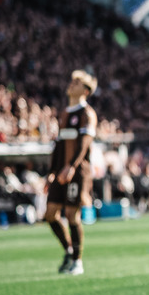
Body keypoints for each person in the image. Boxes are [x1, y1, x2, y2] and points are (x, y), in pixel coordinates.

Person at [44, 70, 98, 276]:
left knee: (71, 214)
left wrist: (72, 166)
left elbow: (84, 144)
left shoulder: (87, 114)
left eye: (76, 82)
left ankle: (77, 261)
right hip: (61, 171)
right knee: (50, 214)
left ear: (85, 90)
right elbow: (59, 145)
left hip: (77, 172)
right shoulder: (65, 114)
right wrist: (52, 171)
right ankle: (68, 249)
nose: (71, 84)